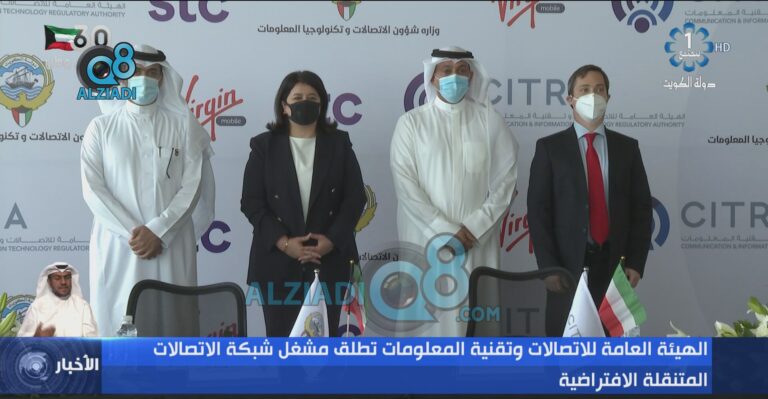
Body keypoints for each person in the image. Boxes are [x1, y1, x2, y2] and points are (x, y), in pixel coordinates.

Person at [81, 44, 215, 336]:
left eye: (152, 72)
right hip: (118, 247)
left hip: (171, 242)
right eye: (136, 71)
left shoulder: (184, 126)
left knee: (174, 331)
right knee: (117, 328)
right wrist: (136, 234)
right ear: (122, 77)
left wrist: (159, 232)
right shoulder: (100, 128)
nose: (144, 78)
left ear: (163, 78)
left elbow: (193, 185)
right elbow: (93, 189)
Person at [390, 46, 519, 336]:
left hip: (476, 242)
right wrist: (445, 231)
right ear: (432, 77)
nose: (454, 76)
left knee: (474, 324)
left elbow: (507, 183)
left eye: (462, 70)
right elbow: (406, 187)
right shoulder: (411, 124)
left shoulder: (490, 121)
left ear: (472, 75)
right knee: (426, 330)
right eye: (446, 70)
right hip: (425, 240)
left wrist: (474, 228)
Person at [527, 64, 652, 336]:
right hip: (566, 270)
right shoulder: (549, 148)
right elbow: (538, 213)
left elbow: (642, 210)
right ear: (570, 99)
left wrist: (636, 262)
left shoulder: (628, 148)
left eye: (599, 90)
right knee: (566, 349)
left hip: (616, 268)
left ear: (608, 97)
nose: (593, 96)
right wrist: (548, 268)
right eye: (584, 90)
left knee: (614, 348)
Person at [241, 70, 366, 337]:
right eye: (297, 98)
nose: (305, 103)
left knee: (324, 345)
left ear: (322, 105)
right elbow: (252, 202)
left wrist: (331, 240)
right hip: (277, 263)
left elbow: (355, 199)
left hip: (329, 261)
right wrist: (285, 243)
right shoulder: (264, 146)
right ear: (284, 106)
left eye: (312, 98)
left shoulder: (339, 144)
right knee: (281, 344)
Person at [18, 262, 98, 337]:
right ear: (49, 282)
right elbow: (22, 342)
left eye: (67, 277)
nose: (63, 282)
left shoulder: (82, 306)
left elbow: (92, 340)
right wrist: (37, 337)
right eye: (57, 278)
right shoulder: (37, 307)